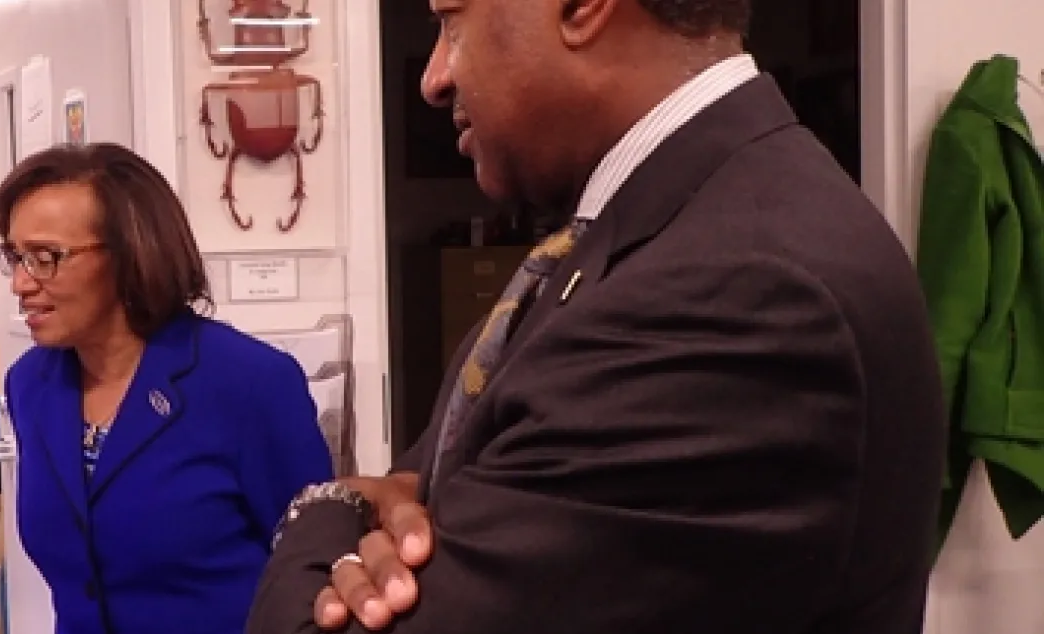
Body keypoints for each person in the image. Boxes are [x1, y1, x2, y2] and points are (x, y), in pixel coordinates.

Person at [246, 1, 945, 633]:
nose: (433, 78)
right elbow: (422, 482)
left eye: (452, 22)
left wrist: (330, 505)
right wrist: (393, 497)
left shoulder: (736, 295)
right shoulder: (642, 238)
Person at [0, 142, 335, 634]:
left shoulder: (248, 383)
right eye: (15, 257)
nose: (20, 284)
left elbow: (313, 570)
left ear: (130, 253)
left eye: (46, 257)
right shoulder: (32, 384)